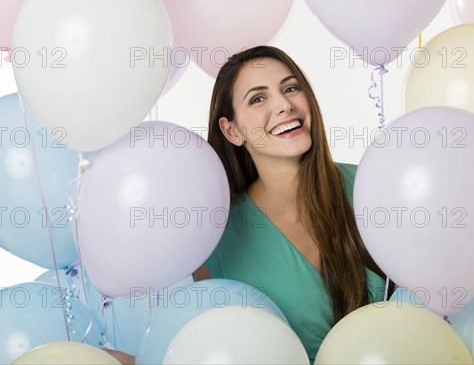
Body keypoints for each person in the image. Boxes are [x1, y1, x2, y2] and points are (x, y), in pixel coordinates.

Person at [106, 45, 388, 364]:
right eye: (258, 98)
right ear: (232, 130)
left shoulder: (371, 186)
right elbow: (217, 348)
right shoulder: (216, 239)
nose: (284, 105)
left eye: (291, 88)